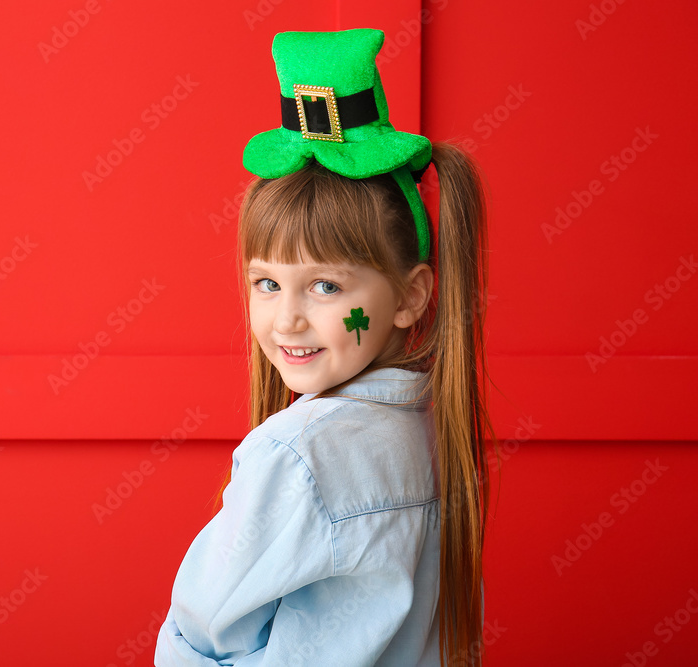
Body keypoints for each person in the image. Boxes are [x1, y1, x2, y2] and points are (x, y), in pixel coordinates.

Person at [155, 28, 498, 667]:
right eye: (266, 282)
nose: (286, 318)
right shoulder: (432, 426)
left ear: (412, 295)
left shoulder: (298, 454)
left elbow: (200, 638)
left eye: (325, 285)